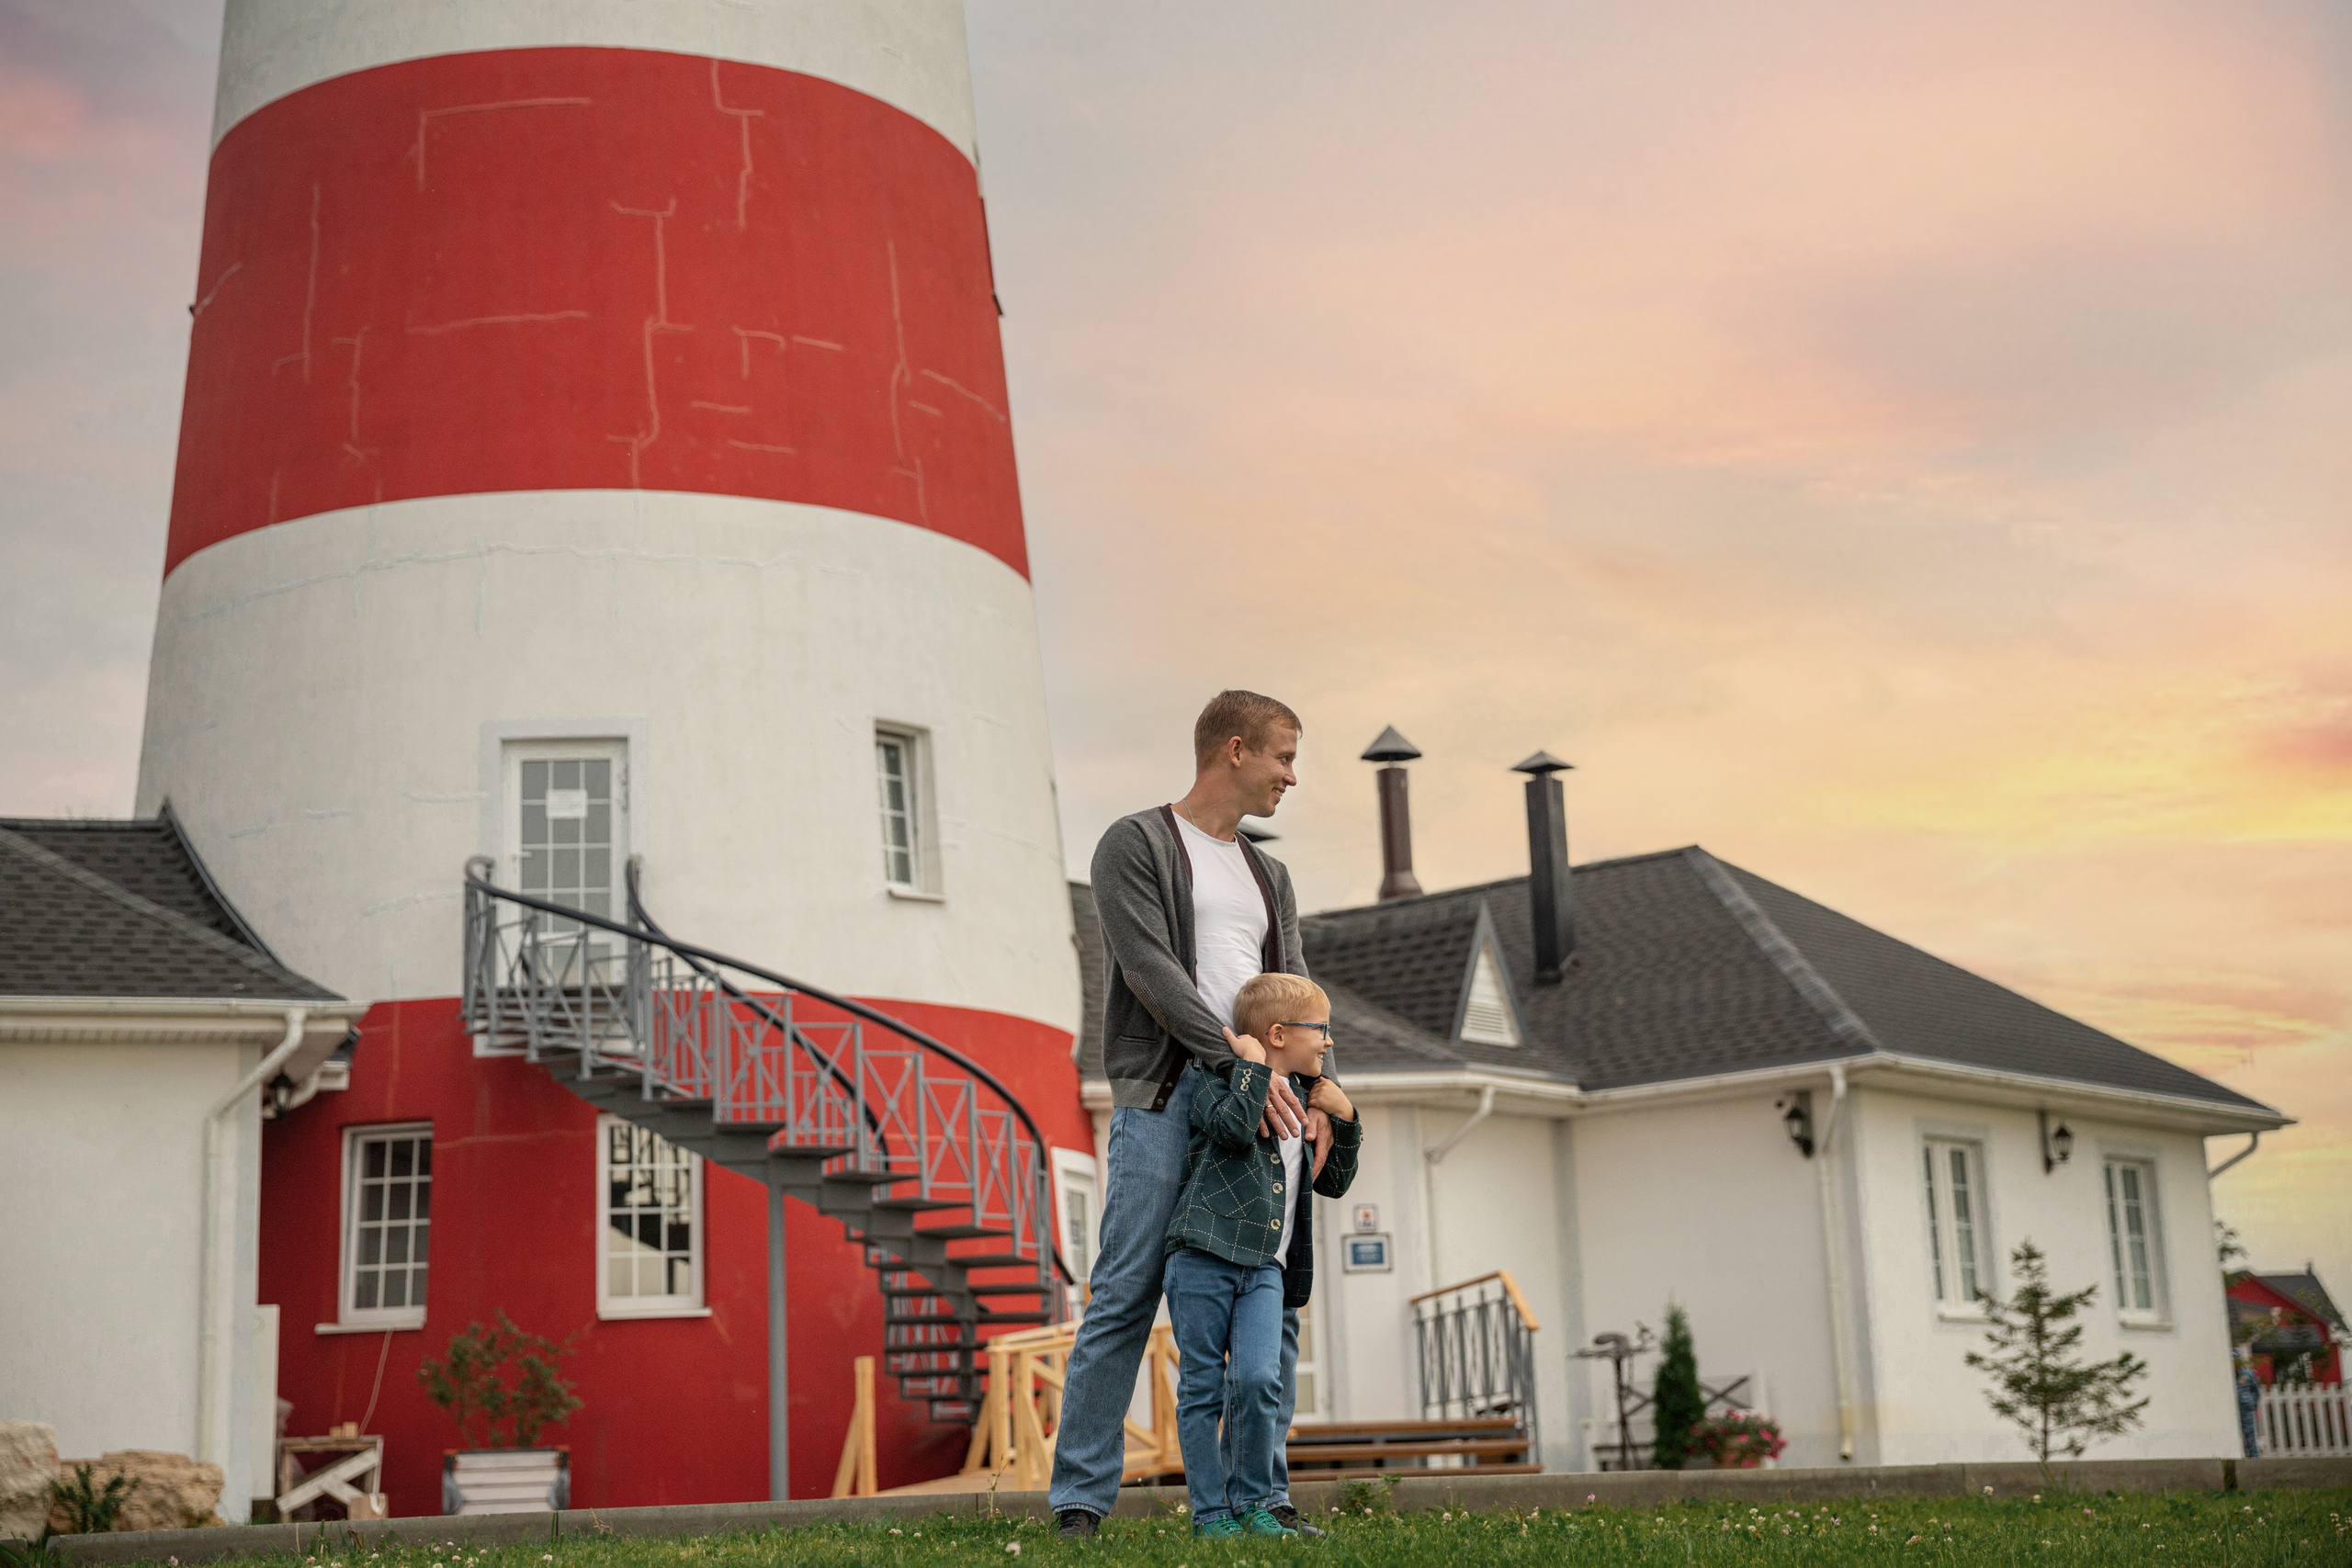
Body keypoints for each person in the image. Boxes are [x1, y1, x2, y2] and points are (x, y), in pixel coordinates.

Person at [1050, 690, 1326, 1540]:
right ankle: (1081, 1502)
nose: (1291, 775)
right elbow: (1148, 969)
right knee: (1127, 1292)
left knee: (1270, 1298)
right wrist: (1233, 1054)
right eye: (1283, 756)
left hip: (1266, 1108)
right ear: (1234, 749)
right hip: (1170, 1099)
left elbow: (1297, 993)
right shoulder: (1135, 843)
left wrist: (1322, 1089)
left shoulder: (1267, 873)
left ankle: (1261, 1497)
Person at [1164, 973, 1359, 1538]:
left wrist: (1344, 1116)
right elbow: (1230, 1129)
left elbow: (1334, 1182)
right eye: (1320, 1029)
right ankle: (1210, 1515)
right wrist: (1249, 1069)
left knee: (1258, 1380)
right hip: (1202, 1254)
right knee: (1202, 1387)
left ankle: (1255, 1505)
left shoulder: (1305, 1099)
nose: (1327, 1042)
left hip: (1266, 1270)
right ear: (1277, 1034)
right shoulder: (1216, 1080)